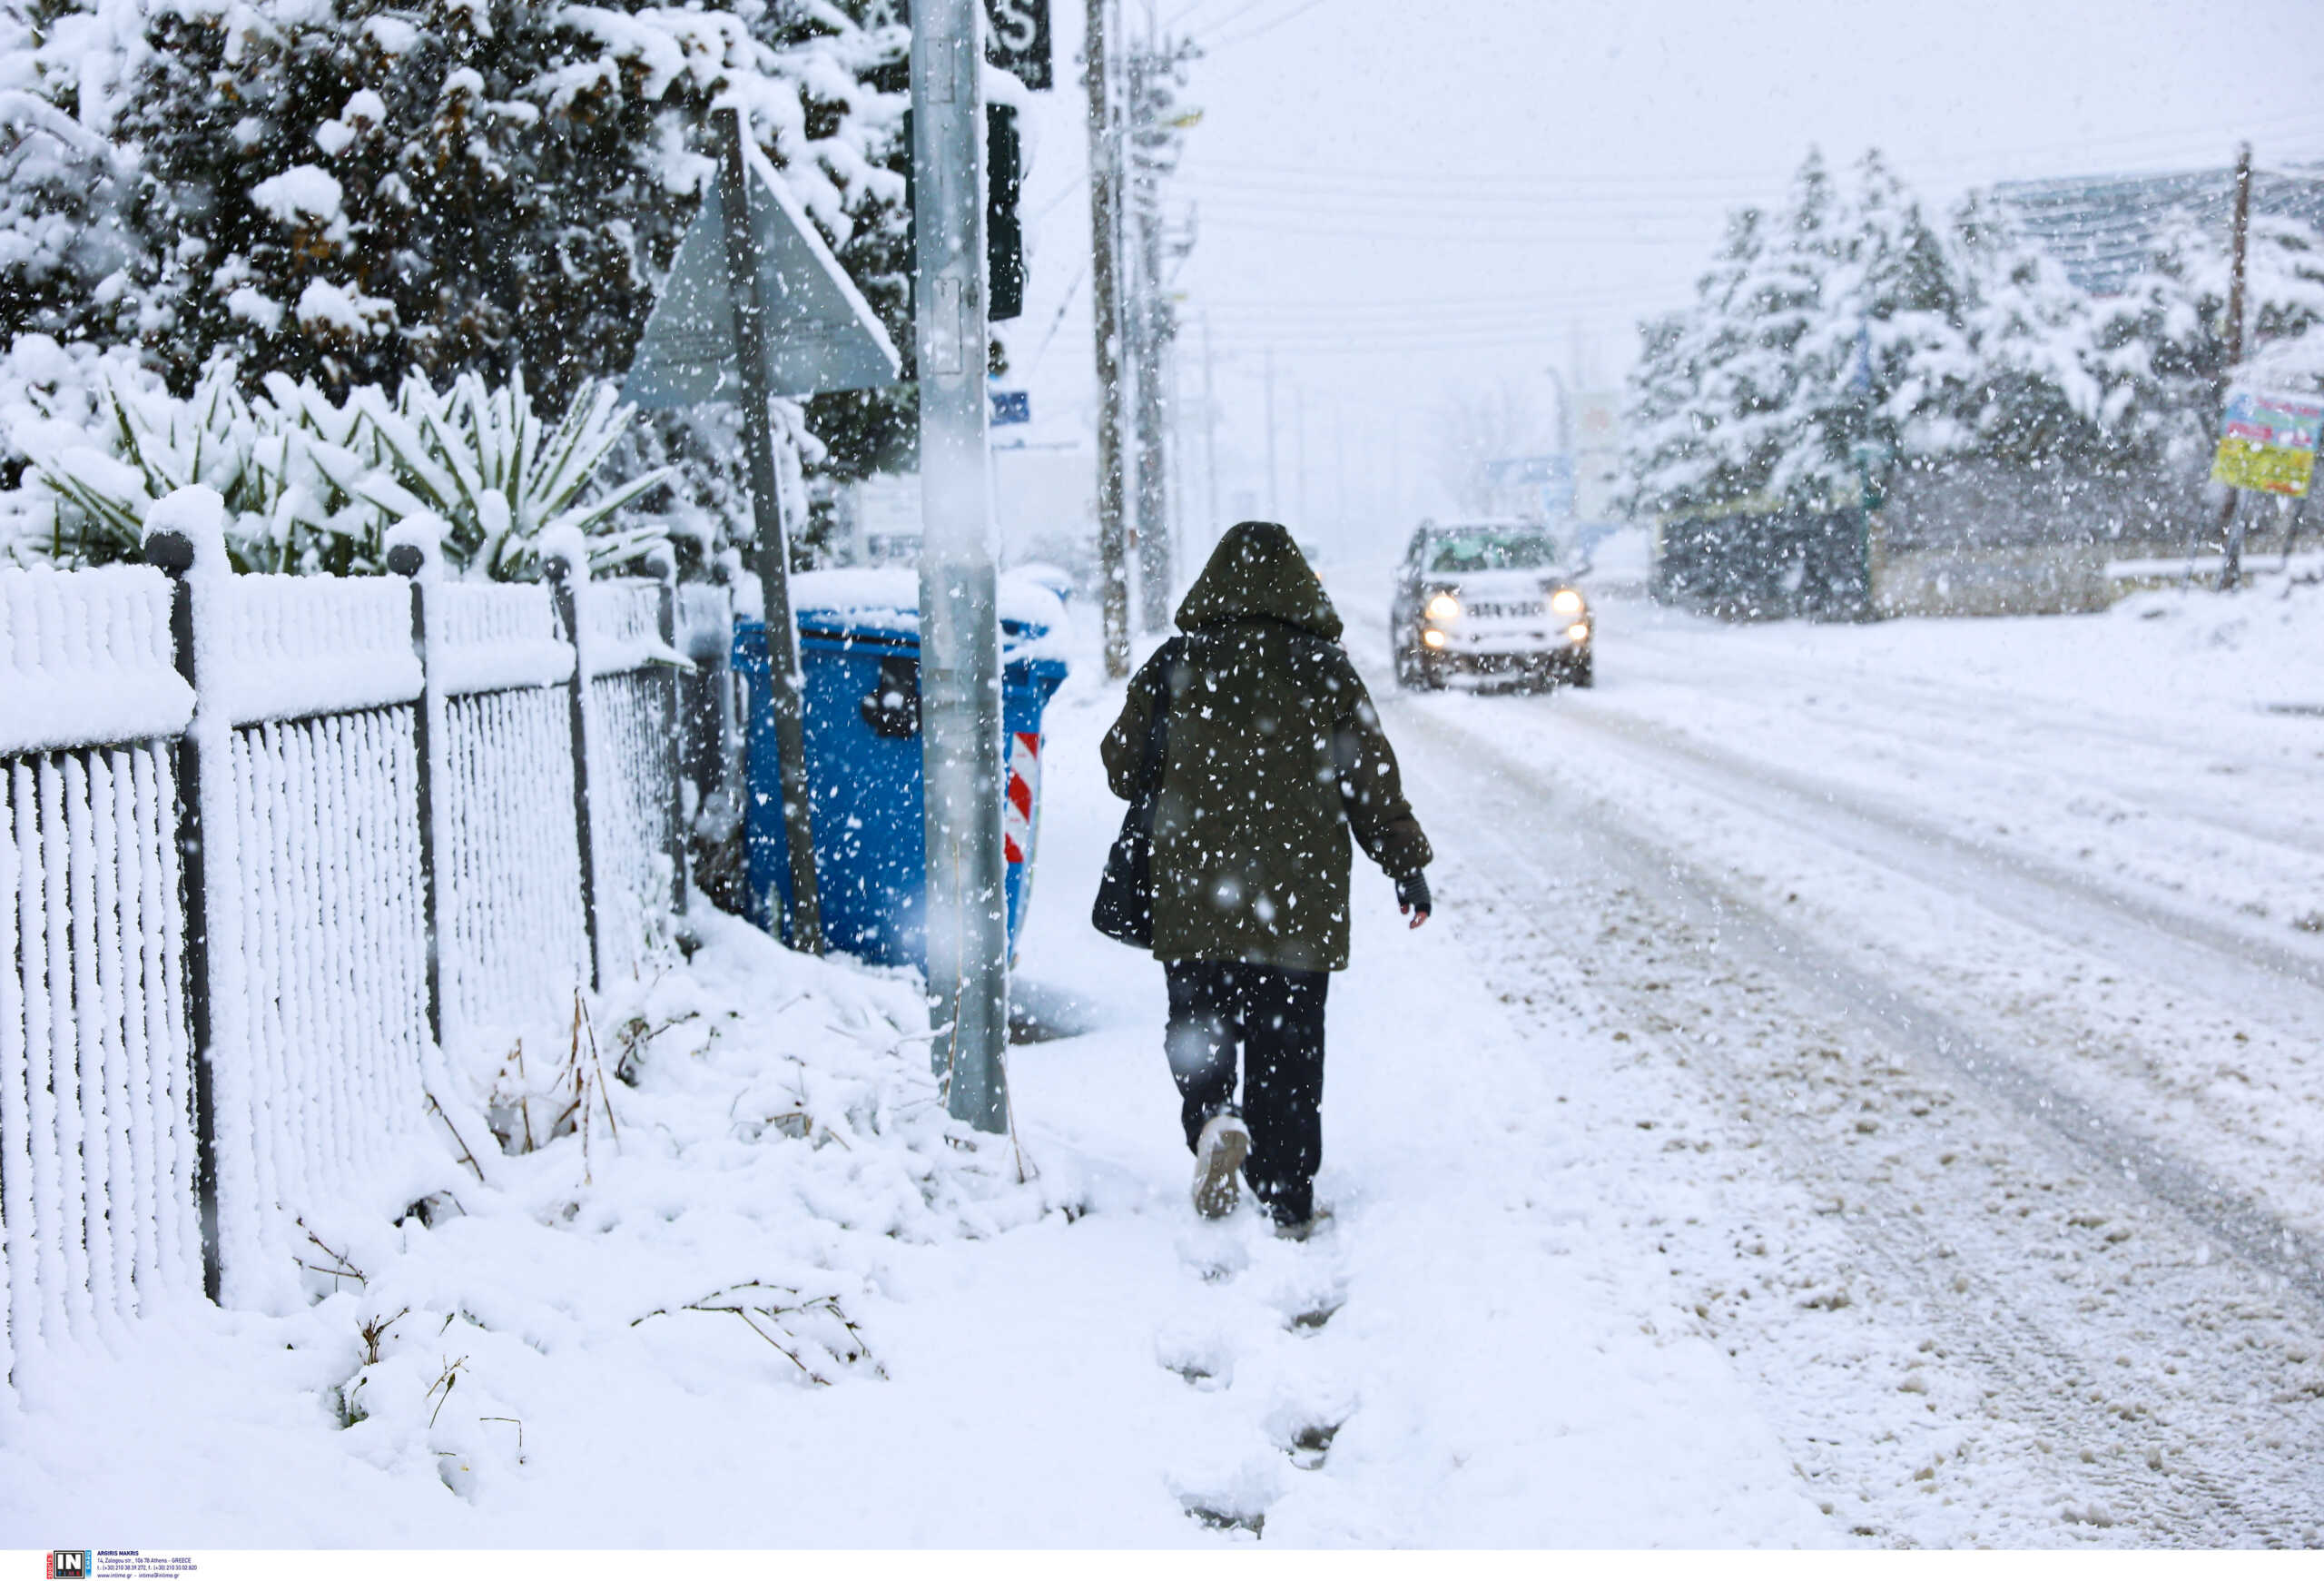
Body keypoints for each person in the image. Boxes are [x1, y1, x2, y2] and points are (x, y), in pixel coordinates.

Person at [1101, 521, 1433, 1238]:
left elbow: (1120, 766)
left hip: (1194, 894)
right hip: (1298, 899)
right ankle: (1285, 1194)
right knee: (1289, 1047)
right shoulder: (1325, 669)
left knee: (1201, 1024)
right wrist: (1405, 864)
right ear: (1299, 586)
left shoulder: (1178, 663)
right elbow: (1370, 778)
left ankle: (1215, 1115)